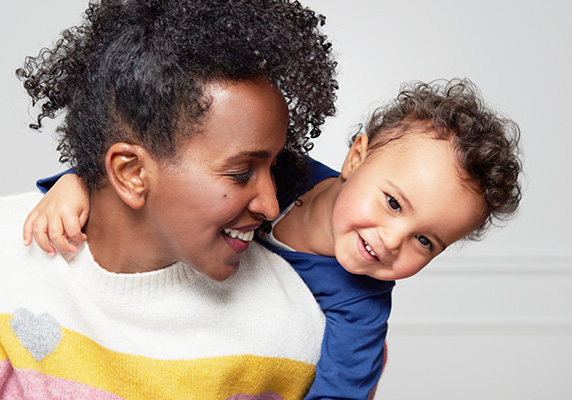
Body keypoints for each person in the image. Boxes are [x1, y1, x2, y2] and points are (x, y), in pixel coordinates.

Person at [24, 78, 523, 399]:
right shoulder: (282, 171)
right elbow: (165, 168)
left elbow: (341, 391)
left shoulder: (360, 306)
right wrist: (73, 182)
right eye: (393, 203)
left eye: (426, 242)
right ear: (355, 159)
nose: (393, 239)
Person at [0, 0, 338, 399]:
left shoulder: (293, 328)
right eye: (241, 172)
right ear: (131, 173)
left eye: (274, 169)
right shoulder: (9, 260)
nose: (269, 204)